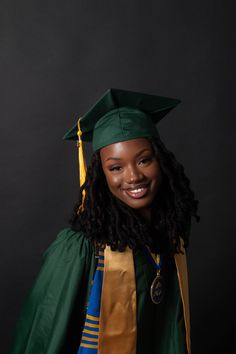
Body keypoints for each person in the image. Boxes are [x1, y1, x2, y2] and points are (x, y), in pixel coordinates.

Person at [11, 88, 199, 354]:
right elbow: (43, 335)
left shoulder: (168, 237)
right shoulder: (80, 249)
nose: (134, 177)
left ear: (162, 161)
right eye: (116, 167)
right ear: (102, 176)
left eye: (144, 160)